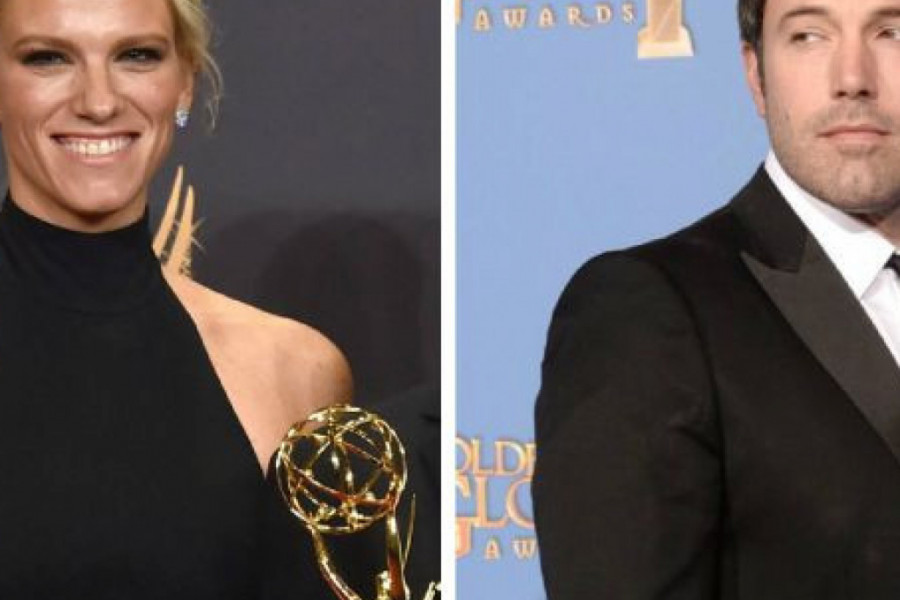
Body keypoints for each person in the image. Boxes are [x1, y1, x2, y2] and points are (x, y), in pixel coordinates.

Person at [533, 0, 900, 597]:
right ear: (756, 75)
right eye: (809, 35)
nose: (853, 77)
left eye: (891, 32)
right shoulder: (648, 310)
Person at [0, 0, 351, 597]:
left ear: (184, 82)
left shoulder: (295, 371)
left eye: (137, 56)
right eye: (48, 58)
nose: (99, 102)